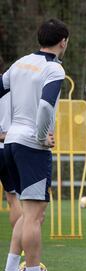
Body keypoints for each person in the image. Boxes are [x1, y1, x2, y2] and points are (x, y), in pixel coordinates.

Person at [0, 19, 70, 271]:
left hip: (12, 142)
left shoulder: (20, 62)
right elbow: (44, 106)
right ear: (63, 41)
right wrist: (42, 136)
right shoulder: (53, 69)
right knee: (34, 215)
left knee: (28, 214)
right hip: (32, 146)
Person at [0, 56, 21, 228]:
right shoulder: (15, 91)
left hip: (7, 143)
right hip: (9, 148)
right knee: (14, 199)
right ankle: (18, 246)